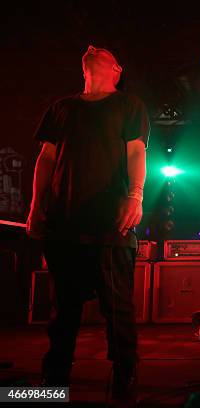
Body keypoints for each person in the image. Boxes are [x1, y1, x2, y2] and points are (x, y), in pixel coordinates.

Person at [26, 45, 149, 405]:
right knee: (62, 309)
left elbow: (137, 151)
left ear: (117, 68)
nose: (92, 47)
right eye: (90, 49)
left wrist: (136, 195)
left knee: (118, 309)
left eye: (103, 50)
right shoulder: (62, 108)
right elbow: (46, 159)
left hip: (110, 222)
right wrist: (36, 206)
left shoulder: (128, 105)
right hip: (64, 222)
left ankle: (125, 373)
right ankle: (54, 378)